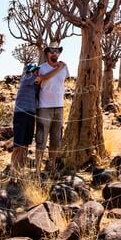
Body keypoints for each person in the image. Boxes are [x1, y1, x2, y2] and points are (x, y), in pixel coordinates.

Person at [35, 46, 69, 174]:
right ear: (47, 53)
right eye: (51, 51)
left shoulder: (65, 68)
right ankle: (37, 169)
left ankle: (52, 166)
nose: (54, 53)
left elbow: (63, 82)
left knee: (56, 139)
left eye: (57, 51)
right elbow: (41, 79)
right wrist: (58, 68)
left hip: (59, 107)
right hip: (44, 107)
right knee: (41, 139)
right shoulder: (42, 68)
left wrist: (61, 68)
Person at [11, 63, 40, 175]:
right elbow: (34, 78)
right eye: (34, 70)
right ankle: (13, 170)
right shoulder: (26, 78)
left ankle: (20, 167)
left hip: (31, 114)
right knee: (18, 144)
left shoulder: (34, 85)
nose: (36, 72)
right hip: (21, 114)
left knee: (26, 143)